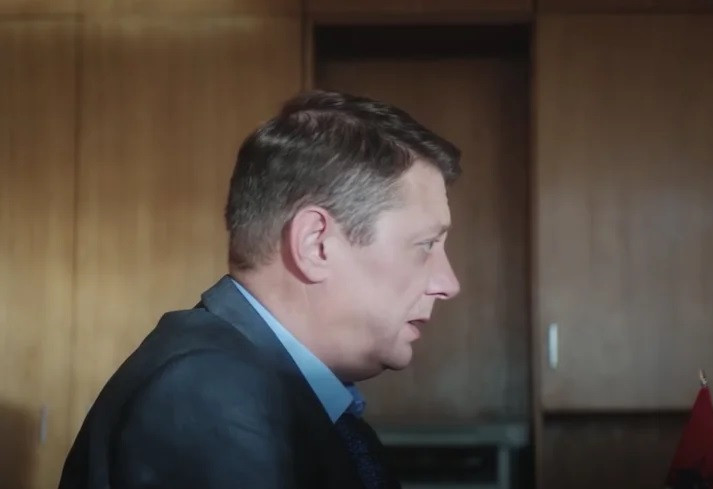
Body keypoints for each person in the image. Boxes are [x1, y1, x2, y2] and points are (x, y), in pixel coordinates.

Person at [58, 90, 462, 489]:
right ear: (315, 245)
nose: (448, 284)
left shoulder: (265, 386)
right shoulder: (208, 394)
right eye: (425, 245)